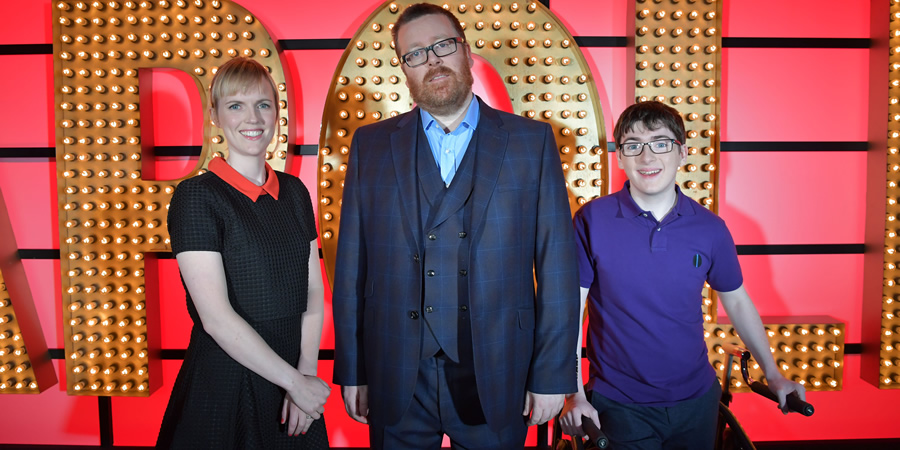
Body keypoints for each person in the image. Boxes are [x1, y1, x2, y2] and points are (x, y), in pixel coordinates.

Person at [331, 3, 580, 448]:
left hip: (500, 370)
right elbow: (352, 266)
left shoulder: (531, 142)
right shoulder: (370, 146)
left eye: (442, 45)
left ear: (465, 51)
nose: (432, 61)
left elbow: (559, 267)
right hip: (395, 373)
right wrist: (353, 371)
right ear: (403, 69)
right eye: (416, 54)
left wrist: (551, 374)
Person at [558, 101, 806, 449]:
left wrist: (774, 373)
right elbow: (569, 312)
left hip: (697, 400)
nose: (647, 157)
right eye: (633, 145)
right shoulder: (591, 221)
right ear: (619, 156)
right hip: (619, 403)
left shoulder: (710, 228)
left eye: (660, 143)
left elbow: (736, 301)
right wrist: (574, 394)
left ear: (682, 153)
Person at [157, 56, 330, 449]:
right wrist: (295, 382)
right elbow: (216, 319)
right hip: (228, 380)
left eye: (263, 104)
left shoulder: (295, 192)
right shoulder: (197, 198)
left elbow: (313, 294)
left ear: (276, 113)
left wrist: (304, 375)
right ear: (216, 116)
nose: (252, 118)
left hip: (293, 386)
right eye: (236, 105)